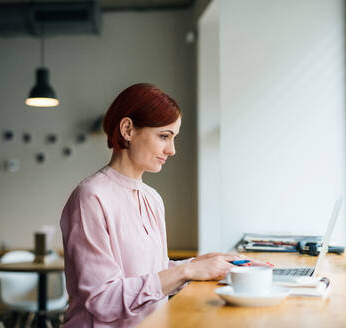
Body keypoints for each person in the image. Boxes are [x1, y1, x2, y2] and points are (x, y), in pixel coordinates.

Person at [60, 83, 267, 327]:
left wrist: (200, 263)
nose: (172, 150)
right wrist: (185, 272)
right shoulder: (91, 197)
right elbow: (103, 300)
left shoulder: (152, 198)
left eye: (173, 138)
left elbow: (151, 272)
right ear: (127, 129)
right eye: (164, 136)